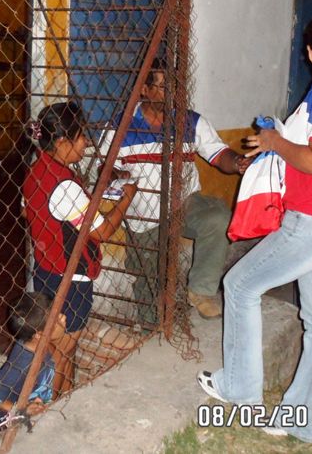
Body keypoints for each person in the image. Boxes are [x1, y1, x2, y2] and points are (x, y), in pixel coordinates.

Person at [196, 12, 312, 443]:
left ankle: (240, 389)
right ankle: (303, 421)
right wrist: (279, 134)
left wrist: (275, 141)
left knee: (240, 286)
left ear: (310, 53)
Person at [99, 59, 249, 321]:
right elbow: (104, 167)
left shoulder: (190, 121)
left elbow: (219, 154)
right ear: (144, 89)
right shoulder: (121, 125)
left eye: (175, 86)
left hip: (183, 204)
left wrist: (237, 162)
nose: (172, 93)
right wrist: (116, 174)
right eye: (163, 86)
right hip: (144, 214)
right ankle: (150, 323)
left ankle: (200, 292)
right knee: (148, 278)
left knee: (218, 218)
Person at [22, 101, 138, 397]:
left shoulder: (37, 169)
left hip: (46, 271)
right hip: (71, 280)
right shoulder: (64, 184)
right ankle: (50, 408)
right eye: (82, 135)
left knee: (61, 349)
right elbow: (101, 231)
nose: (87, 142)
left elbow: (29, 211)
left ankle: (64, 397)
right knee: (60, 354)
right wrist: (126, 198)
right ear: (63, 141)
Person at [0, 292, 64, 438]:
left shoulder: (33, 344)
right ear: (39, 334)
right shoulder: (23, 365)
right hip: (8, 425)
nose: (63, 317)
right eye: (57, 319)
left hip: (33, 411)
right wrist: (19, 410)